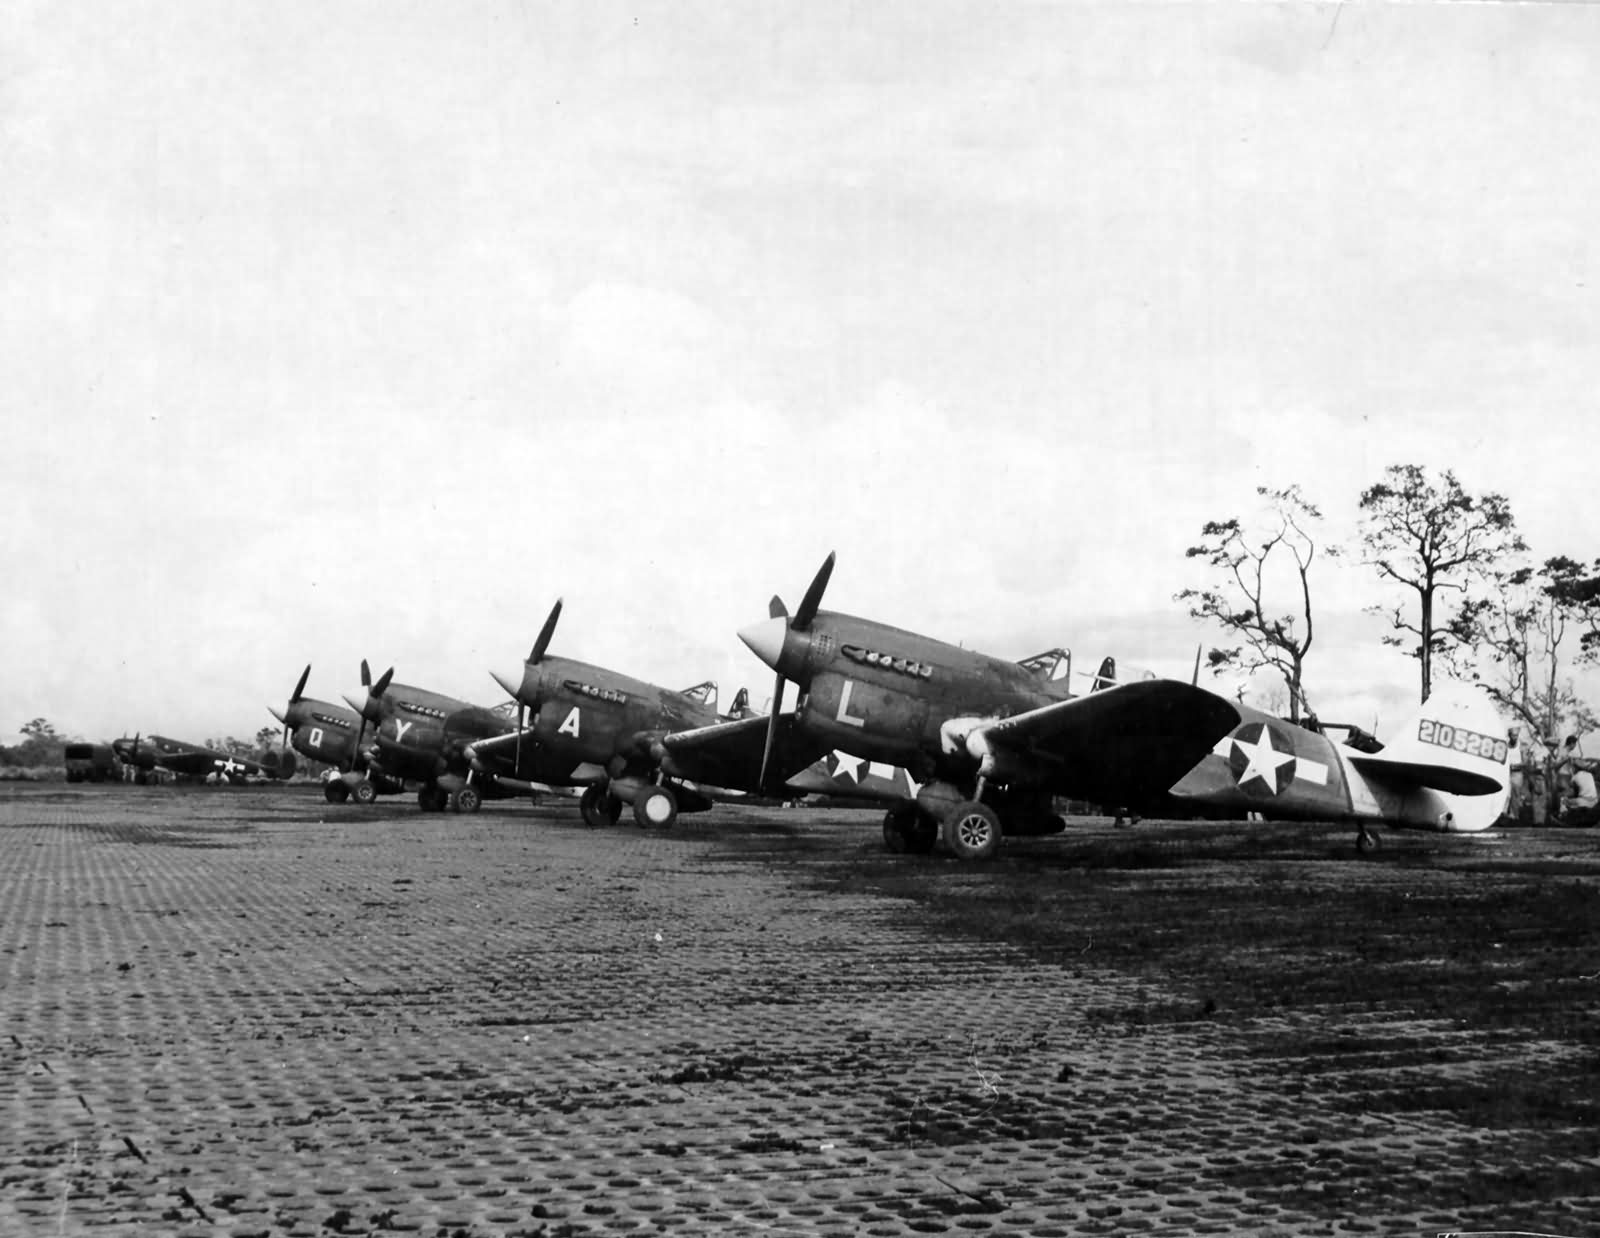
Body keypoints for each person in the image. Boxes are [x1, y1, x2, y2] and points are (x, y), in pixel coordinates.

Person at [1561, 764, 1599, 828]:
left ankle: (1562, 817)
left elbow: (1571, 790)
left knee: (1563, 800)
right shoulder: (1590, 775)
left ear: (1575, 769)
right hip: (1595, 801)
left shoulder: (1575, 776)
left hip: (1582, 801)